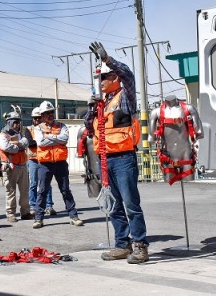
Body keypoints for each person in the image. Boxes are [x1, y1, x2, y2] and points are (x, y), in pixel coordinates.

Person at [86, 41, 148, 264]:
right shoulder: (103, 103)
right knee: (113, 205)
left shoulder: (125, 97)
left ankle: (140, 245)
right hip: (105, 159)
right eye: (99, 78)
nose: (100, 82)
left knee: (131, 204)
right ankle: (122, 244)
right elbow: (89, 128)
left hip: (123, 159)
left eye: (104, 77)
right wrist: (92, 109)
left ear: (114, 78)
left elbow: (129, 75)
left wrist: (107, 59)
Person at [32, 101, 83, 229]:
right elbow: (41, 142)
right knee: (42, 191)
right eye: (47, 113)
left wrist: (49, 136)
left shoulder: (62, 126)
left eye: (51, 112)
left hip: (60, 163)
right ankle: (38, 218)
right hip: (45, 164)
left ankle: (73, 216)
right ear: (42, 116)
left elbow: (64, 139)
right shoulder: (38, 128)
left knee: (65, 190)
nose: (50, 115)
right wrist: (56, 138)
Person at [0, 112, 33, 222]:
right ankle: (10, 213)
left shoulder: (20, 134)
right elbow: (7, 147)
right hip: (10, 167)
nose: (17, 124)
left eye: (18, 122)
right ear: (9, 122)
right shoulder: (2, 135)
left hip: (22, 166)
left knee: (24, 191)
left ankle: (25, 212)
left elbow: (26, 142)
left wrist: (17, 144)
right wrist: (19, 145)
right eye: (15, 122)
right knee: (11, 191)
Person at [24, 107, 55, 216]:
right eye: (35, 118)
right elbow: (30, 143)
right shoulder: (29, 129)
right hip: (33, 160)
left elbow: (52, 141)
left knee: (47, 184)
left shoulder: (46, 128)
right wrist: (42, 141)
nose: (37, 120)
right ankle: (33, 205)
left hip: (44, 159)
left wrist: (43, 141)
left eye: (38, 118)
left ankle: (49, 205)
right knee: (33, 183)